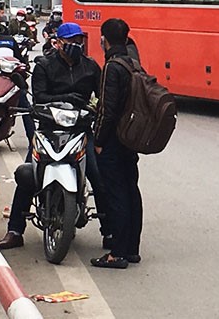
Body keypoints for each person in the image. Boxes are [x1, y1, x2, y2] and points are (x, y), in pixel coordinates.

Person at [0, 22, 110, 250]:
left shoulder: (91, 67)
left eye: (79, 41)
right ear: (57, 43)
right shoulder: (44, 65)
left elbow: (101, 98)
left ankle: (109, 231)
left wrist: (95, 111)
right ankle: (15, 230)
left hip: (80, 130)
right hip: (48, 129)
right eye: (70, 41)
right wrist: (68, 97)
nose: (75, 45)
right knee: (29, 175)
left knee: (98, 176)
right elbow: (39, 96)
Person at [90, 18, 142, 269]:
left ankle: (117, 253)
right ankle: (132, 249)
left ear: (104, 39)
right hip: (130, 138)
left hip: (114, 140)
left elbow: (107, 110)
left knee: (116, 193)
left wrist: (98, 141)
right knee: (131, 190)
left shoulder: (112, 66)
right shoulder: (133, 62)